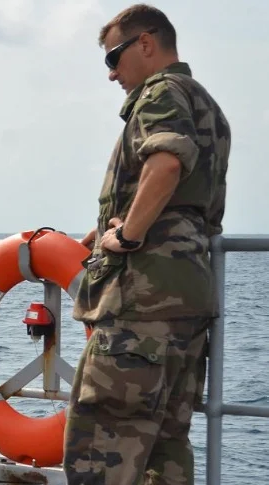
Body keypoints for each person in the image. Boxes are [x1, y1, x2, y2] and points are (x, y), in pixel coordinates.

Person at [66, 4, 230, 484]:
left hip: (142, 303)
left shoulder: (160, 92)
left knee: (102, 447)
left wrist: (128, 235)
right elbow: (188, 198)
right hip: (187, 303)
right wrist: (111, 226)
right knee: (165, 451)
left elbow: (166, 165)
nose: (112, 72)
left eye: (113, 57)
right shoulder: (207, 106)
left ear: (146, 43)